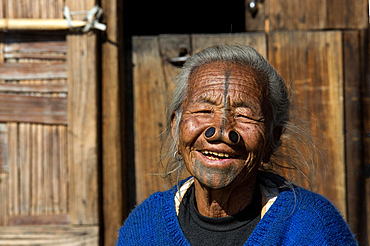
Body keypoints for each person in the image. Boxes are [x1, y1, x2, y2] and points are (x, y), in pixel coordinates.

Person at [116, 45, 357, 245]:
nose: (221, 131)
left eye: (244, 115)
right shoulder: (145, 229)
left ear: (273, 138)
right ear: (176, 128)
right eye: (203, 110)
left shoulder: (312, 227)